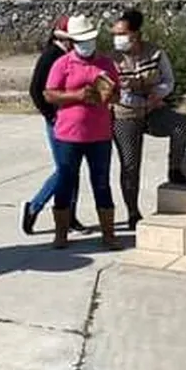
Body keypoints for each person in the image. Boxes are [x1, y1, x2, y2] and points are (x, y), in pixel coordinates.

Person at [43, 15, 122, 251]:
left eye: (90, 40)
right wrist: (76, 96)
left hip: (100, 134)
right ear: (73, 41)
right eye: (82, 40)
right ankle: (61, 234)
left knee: (102, 183)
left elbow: (117, 93)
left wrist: (112, 95)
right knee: (66, 181)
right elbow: (49, 93)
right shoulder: (62, 64)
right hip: (69, 135)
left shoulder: (107, 64)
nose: (87, 44)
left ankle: (108, 235)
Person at [110, 9, 186, 231]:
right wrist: (140, 96)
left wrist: (158, 94)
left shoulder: (155, 53)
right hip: (124, 115)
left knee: (181, 127)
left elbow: (168, 80)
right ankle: (132, 212)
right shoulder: (111, 59)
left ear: (136, 34)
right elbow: (114, 92)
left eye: (122, 33)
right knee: (130, 164)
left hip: (152, 110)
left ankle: (175, 168)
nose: (117, 38)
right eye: (115, 33)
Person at [22, 16, 93, 236]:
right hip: (58, 121)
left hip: (74, 121)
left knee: (73, 170)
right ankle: (35, 205)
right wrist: (51, 116)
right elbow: (36, 91)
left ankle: (69, 215)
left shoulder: (70, 56)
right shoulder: (51, 56)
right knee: (65, 169)